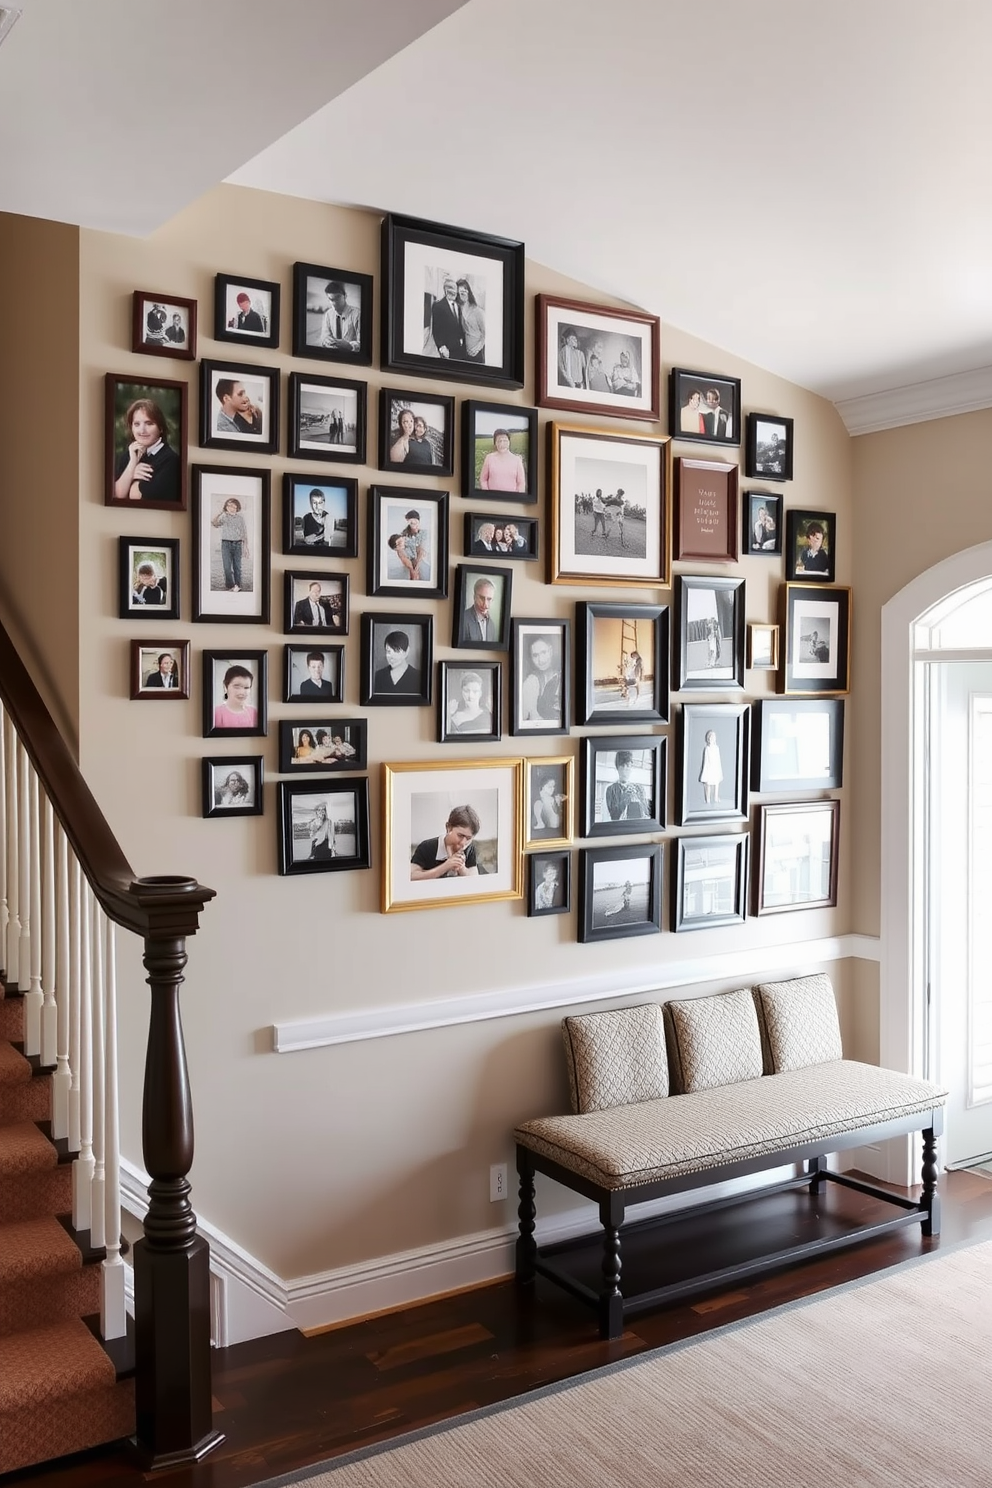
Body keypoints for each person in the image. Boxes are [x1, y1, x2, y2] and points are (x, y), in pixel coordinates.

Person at [113, 398, 180, 503]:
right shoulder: (127, 456)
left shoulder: (171, 459)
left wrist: (130, 482)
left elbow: (135, 495)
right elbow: (117, 495)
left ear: (161, 427)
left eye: (149, 423)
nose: (142, 430)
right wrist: (132, 468)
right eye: (137, 424)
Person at [410, 805, 480, 880]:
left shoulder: (470, 848)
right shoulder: (426, 847)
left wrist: (462, 868)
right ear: (448, 828)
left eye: (468, 838)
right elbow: (411, 876)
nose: (463, 843)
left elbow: (475, 879)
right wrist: (445, 867)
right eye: (460, 835)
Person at [211, 496, 249, 592]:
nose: (231, 508)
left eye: (233, 506)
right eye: (228, 506)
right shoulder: (224, 517)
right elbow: (214, 523)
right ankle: (230, 586)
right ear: (226, 507)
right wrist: (220, 512)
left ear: (237, 507)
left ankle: (237, 585)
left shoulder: (240, 518)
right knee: (227, 567)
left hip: (237, 544)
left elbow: (244, 533)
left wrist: (246, 547)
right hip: (226, 544)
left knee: (237, 567)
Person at [520, 635, 561, 723]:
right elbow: (526, 716)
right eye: (535, 655)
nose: (541, 660)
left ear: (550, 651)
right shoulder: (531, 681)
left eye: (544, 653)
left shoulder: (560, 675)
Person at [320, 281, 361, 353]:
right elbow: (324, 337)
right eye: (331, 299)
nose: (334, 303)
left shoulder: (357, 314)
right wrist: (326, 341)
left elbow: (364, 343)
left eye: (338, 298)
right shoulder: (328, 314)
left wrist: (350, 346)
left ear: (345, 296)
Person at [606, 750, 648, 820]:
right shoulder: (611, 789)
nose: (625, 770)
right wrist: (625, 799)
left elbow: (647, 813)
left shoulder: (639, 788)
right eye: (622, 766)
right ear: (617, 768)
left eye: (628, 766)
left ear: (631, 768)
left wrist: (640, 799)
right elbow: (613, 816)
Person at [430, 276, 464, 360]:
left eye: (455, 289)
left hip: (459, 349)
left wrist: (461, 340)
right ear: (445, 290)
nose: (454, 292)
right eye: (451, 289)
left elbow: (459, 325)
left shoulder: (458, 306)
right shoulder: (438, 306)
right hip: (447, 351)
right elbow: (436, 330)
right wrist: (442, 347)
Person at [213, 664, 257, 728]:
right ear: (225, 687)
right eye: (237, 687)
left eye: (246, 688)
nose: (242, 692)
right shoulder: (216, 713)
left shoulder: (254, 712)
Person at [456, 278, 485, 362]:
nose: (461, 296)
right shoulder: (459, 310)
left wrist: (476, 349)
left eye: (463, 292)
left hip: (477, 353)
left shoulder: (478, 311)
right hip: (464, 353)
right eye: (459, 293)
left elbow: (485, 334)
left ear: (468, 291)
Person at [461, 577, 497, 643]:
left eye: (489, 599)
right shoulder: (462, 619)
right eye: (481, 598)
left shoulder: (492, 625)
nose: (485, 604)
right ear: (474, 597)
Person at [699, 729, 723, 804]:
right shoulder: (707, 749)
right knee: (708, 784)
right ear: (708, 739)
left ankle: (716, 797)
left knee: (716, 783)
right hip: (709, 768)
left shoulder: (717, 748)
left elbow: (718, 760)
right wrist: (705, 770)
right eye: (710, 738)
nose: (711, 739)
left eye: (713, 737)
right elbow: (705, 761)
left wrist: (719, 769)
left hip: (715, 768)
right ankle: (707, 799)